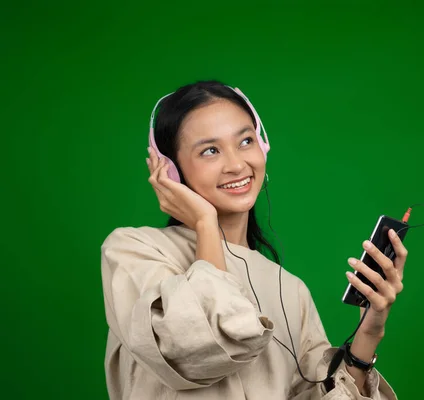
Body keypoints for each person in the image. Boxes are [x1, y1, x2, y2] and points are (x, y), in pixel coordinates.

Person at [100, 80, 407, 399]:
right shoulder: (134, 251)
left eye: (245, 141)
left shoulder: (290, 290)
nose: (236, 165)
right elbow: (194, 353)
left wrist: (368, 334)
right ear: (171, 171)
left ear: (263, 146)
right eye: (210, 150)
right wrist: (206, 224)